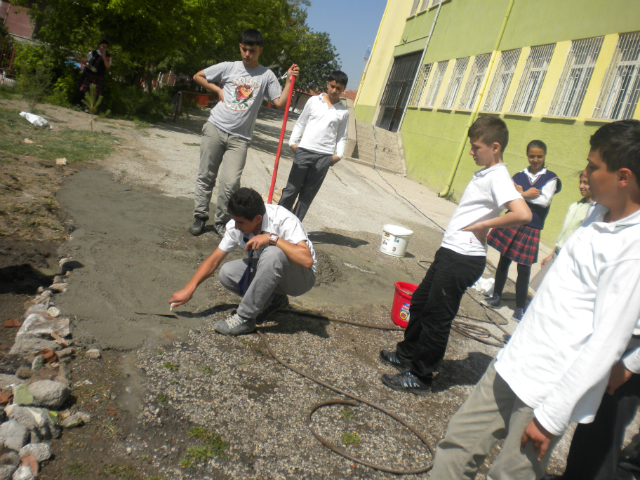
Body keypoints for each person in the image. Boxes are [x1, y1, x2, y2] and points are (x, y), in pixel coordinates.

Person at [430, 119, 640, 480]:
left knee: (510, 474)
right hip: (513, 362)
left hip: (547, 389)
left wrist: (551, 417)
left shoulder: (632, 250)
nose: (585, 174)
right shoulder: (598, 212)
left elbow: (607, 344)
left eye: (593, 166)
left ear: (623, 177)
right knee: (456, 446)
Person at [378, 115, 531, 396]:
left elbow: (523, 213)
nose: (471, 152)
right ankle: (407, 354)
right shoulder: (489, 174)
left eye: (476, 147)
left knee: (437, 317)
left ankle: (421, 376)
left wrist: (486, 225)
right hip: (450, 251)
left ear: (495, 147)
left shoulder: (497, 176)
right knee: (421, 304)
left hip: (463, 257)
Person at [189, 29, 300, 237]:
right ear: (240, 47)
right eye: (244, 49)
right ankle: (200, 216)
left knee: (230, 183)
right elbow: (198, 76)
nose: (247, 54)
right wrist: (217, 89)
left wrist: (288, 82)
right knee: (206, 175)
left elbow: (279, 103)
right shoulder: (229, 67)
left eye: (252, 50)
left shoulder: (266, 75)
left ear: (260, 50)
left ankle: (222, 222)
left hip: (240, 139)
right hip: (215, 127)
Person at [170, 187, 316, 336]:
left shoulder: (283, 219)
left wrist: (271, 238)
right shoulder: (236, 225)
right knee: (227, 273)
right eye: (234, 220)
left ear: (257, 219)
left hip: (302, 278)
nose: (236, 226)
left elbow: (306, 261)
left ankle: (245, 317)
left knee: (273, 253)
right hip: (274, 272)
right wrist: (190, 288)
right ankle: (275, 300)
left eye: (240, 222)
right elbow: (214, 260)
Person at [485, 140, 561, 320]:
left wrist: (519, 193)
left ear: (544, 156)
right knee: (503, 260)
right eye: (532, 156)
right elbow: (506, 194)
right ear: (527, 155)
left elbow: (544, 201)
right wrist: (525, 194)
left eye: (539, 156)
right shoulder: (520, 175)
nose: (535, 159)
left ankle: (520, 306)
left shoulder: (551, 178)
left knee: (524, 268)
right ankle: (496, 295)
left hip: (531, 226)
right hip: (513, 220)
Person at [278, 71, 349, 221]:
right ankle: (278, 222)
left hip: (324, 156)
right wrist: (293, 143)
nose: (334, 90)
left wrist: (338, 155)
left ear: (343, 90)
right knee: (291, 189)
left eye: (339, 88)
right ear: (327, 84)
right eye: (332, 86)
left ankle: (293, 226)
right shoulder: (314, 101)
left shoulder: (343, 112)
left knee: (307, 194)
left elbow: (342, 136)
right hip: (304, 151)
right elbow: (301, 123)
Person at [530, 170, 592, 290]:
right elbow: (564, 234)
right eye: (580, 182)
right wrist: (551, 254)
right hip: (557, 254)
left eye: (585, 183)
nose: (581, 186)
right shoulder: (575, 205)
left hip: (570, 259)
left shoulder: (592, 212)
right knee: (539, 290)